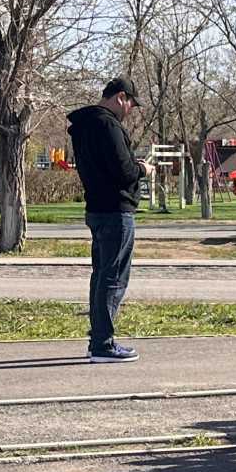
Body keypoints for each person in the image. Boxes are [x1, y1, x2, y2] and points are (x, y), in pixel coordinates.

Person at [67, 76, 151, 363]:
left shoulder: (85, 125)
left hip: (96, 207)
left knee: (101, 275)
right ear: (121, 97)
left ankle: (98, 339)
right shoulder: (108, 125)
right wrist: (143, 169)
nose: (131, 111)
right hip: (116, 209)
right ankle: (103, 343)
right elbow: (123, 170)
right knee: (114, 277)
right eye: (131, 104)